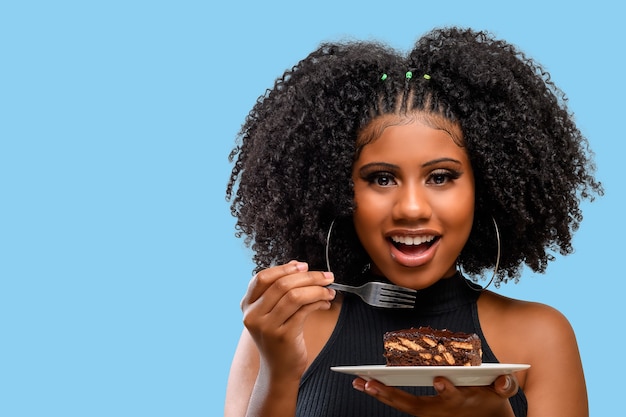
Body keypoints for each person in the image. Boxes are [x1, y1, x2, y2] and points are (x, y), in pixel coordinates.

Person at [224, 27, 603, 417]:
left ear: (485, 187)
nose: (411, 208)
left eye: (440, 177)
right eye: (381, 178)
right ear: (337, 189)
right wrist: (280, 369)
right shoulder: (280, 332)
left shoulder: (541, 337)